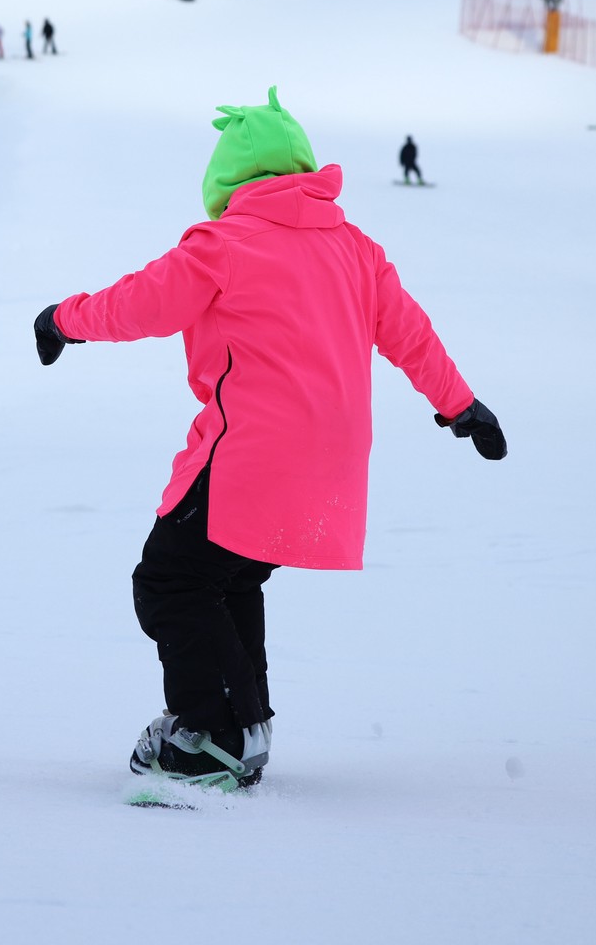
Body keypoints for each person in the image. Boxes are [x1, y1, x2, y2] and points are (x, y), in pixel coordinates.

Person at [33, 87, 505, 791]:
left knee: (170, 580)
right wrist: (460, 405)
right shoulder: (356, 249)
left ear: (226, 181)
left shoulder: (223, 244)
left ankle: (207, 738)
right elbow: (410, 333)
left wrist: (61, 320)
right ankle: (243, 730)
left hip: (251, 454)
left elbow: (137, 303)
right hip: (332, 463)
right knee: (230, 578)